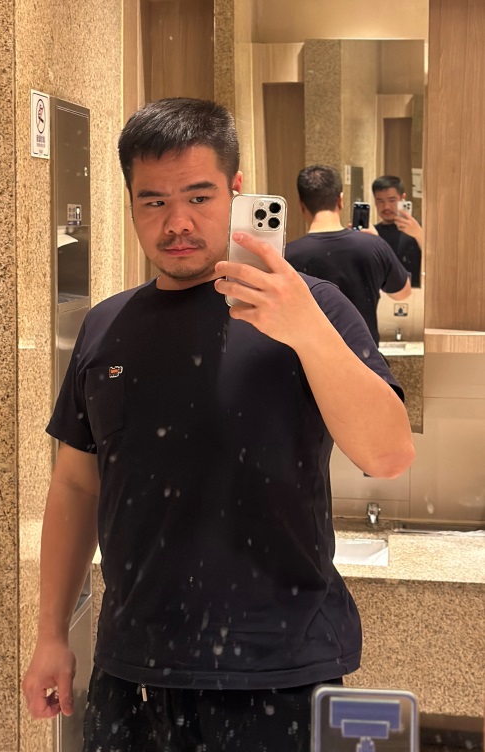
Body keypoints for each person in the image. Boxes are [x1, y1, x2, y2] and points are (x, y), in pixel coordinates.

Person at [22, 98, 415, 752]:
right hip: (131, 675)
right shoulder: (105, 326)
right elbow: (76, 485)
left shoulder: (314, 308)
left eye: (199, 197)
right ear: (130, 202)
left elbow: (388, 455)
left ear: (236, 191)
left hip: (280, 675)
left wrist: (306, 332)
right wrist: (51, 634)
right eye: (153, 201)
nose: (177, 222)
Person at [286, 165, 411, 346]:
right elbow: (402, 293)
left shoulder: (287, 255)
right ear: (340, 200)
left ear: (301, 205)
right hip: (364, 357)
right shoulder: (374, 245)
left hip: (309, 360)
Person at [371, 175, 423, 287]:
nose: (386, 207)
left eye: (392, 200)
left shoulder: (420, 228)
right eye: (380, 201)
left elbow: (436, 260)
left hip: (415, 293)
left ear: (402, 198)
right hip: (380, 293)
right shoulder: (373, 232)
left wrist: (420, 235)